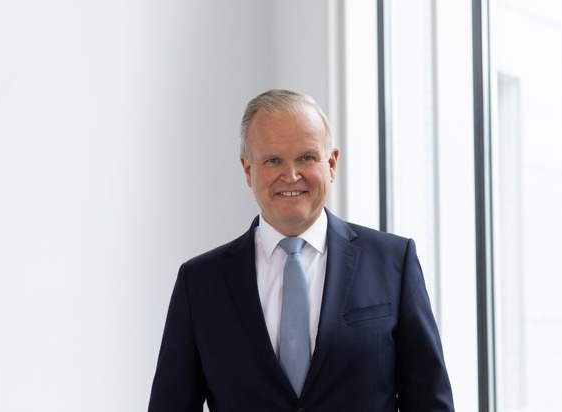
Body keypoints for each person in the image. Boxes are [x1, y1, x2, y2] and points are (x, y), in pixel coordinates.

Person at [148, 89, 454, 411]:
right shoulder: (199, 283)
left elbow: (430, 403)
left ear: (331, 163)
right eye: (273, 160)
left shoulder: (393, 263)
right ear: (248, 170)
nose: (291, 175)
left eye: (306, 157)